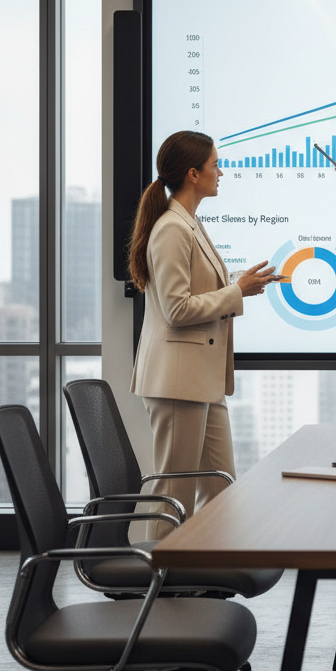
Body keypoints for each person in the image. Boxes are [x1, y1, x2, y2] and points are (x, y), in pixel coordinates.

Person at [128, 130, 281, 540]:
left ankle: (208, 572)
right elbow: (178, 310)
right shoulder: (172, 229)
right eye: (216, 165)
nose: (222, 172)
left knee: (220, 486)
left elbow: (194, 292)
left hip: (202, 381)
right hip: (179, 382)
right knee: (173, 490)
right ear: (193, 174)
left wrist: (240, 283)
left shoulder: (188, 223)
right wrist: (236, 292)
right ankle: (159, 580)